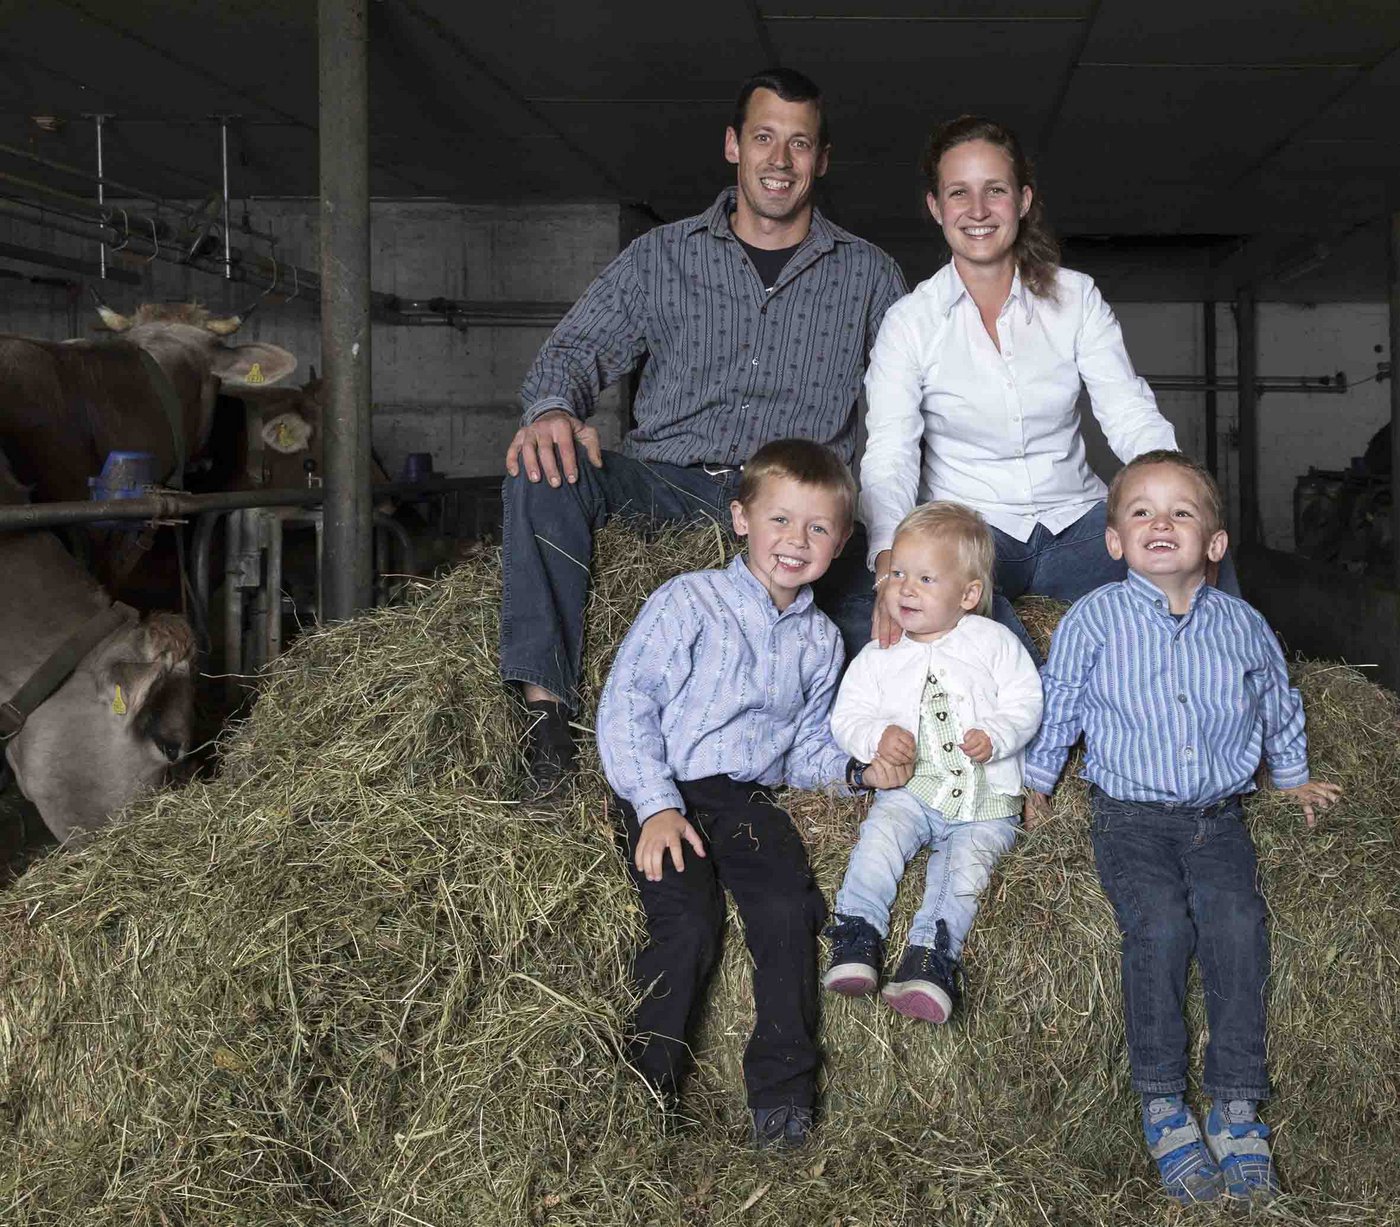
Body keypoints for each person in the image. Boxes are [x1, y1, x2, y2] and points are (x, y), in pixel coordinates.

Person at [502, 67, 907, 794]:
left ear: (822, 159)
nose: (779, 162)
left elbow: (910, 413)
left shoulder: (871, 276)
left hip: (804, 514)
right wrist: (555, 409)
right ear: (733, 145)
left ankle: (851, 767)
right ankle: (547, 720)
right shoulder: (662, 256)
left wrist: (892, 547)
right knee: (541, 464)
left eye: (799, 144)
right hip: (669, 485)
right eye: (763, 138)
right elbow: (570, 352)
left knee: (884, 608)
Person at [1021, 450, 1342, 1205]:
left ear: (1215, 544)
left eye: (1181, 512)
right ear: (1113, 541)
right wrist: (1034, 784)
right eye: (1140, 512)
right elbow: (1060, 700)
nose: (1159, 523)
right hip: (1129, 815)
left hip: (1217, 817)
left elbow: (1277, 699)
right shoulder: (1093, 620)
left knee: (1237, 920)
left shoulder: (1242, 624)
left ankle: (1237, 1106)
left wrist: (1290, 775)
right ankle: (1163, 1102)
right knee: (1159, 924)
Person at [595, 440, 912, 1150]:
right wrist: (654, 804)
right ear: (741, 518)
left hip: (745, 798)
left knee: (787, 911)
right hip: (670, 787)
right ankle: (647, 1096)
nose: (796, 542)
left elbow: (803, 751)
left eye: (819, 528)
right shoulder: (688, 601)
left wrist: (860, 773)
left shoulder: (822, 641)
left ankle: (783, 1099)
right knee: (688, 923)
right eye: (780, 520)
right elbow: (627, 704)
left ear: (843, 542)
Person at [858, 115, 1235, 662]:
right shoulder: (909, 321)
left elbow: (1127, 411)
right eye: (959, 192)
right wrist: (890, 565)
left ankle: (1235, 701)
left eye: (996, 190)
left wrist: (1187, 508)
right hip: (974, 536)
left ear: (1024, 199)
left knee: (1199, 537)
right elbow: (889, 452)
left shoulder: (1076, 298)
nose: (979, 210)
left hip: (1078, 527)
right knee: (988, 653)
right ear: (937, 207)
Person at [822, 502, 1042, 1023]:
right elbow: (846, 715)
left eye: (924, 578)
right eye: (897, 573)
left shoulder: (993, 643)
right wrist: (877, 736)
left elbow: (1025, 699)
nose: (905, 588)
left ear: (968, 594)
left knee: (963, 872)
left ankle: (929, 958)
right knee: (878, 841)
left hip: (986, 801)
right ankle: (857, 933)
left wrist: (998, 735)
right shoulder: (880, 652)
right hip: (912, 790)